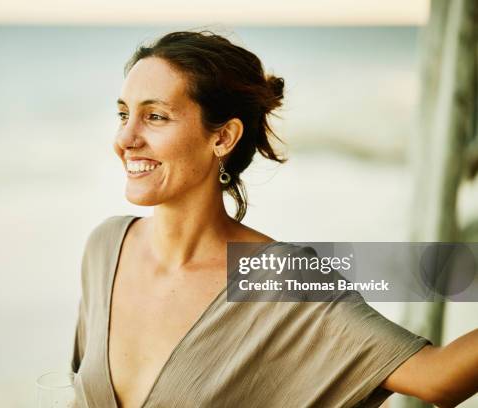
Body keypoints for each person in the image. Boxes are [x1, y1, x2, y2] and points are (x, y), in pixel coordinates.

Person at [70, 30, 478, 407]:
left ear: (223, 138)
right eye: (124, 114)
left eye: (155, 116)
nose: (125, 139)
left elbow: (437, 377)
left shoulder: (280, 278)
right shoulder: (107, 248)